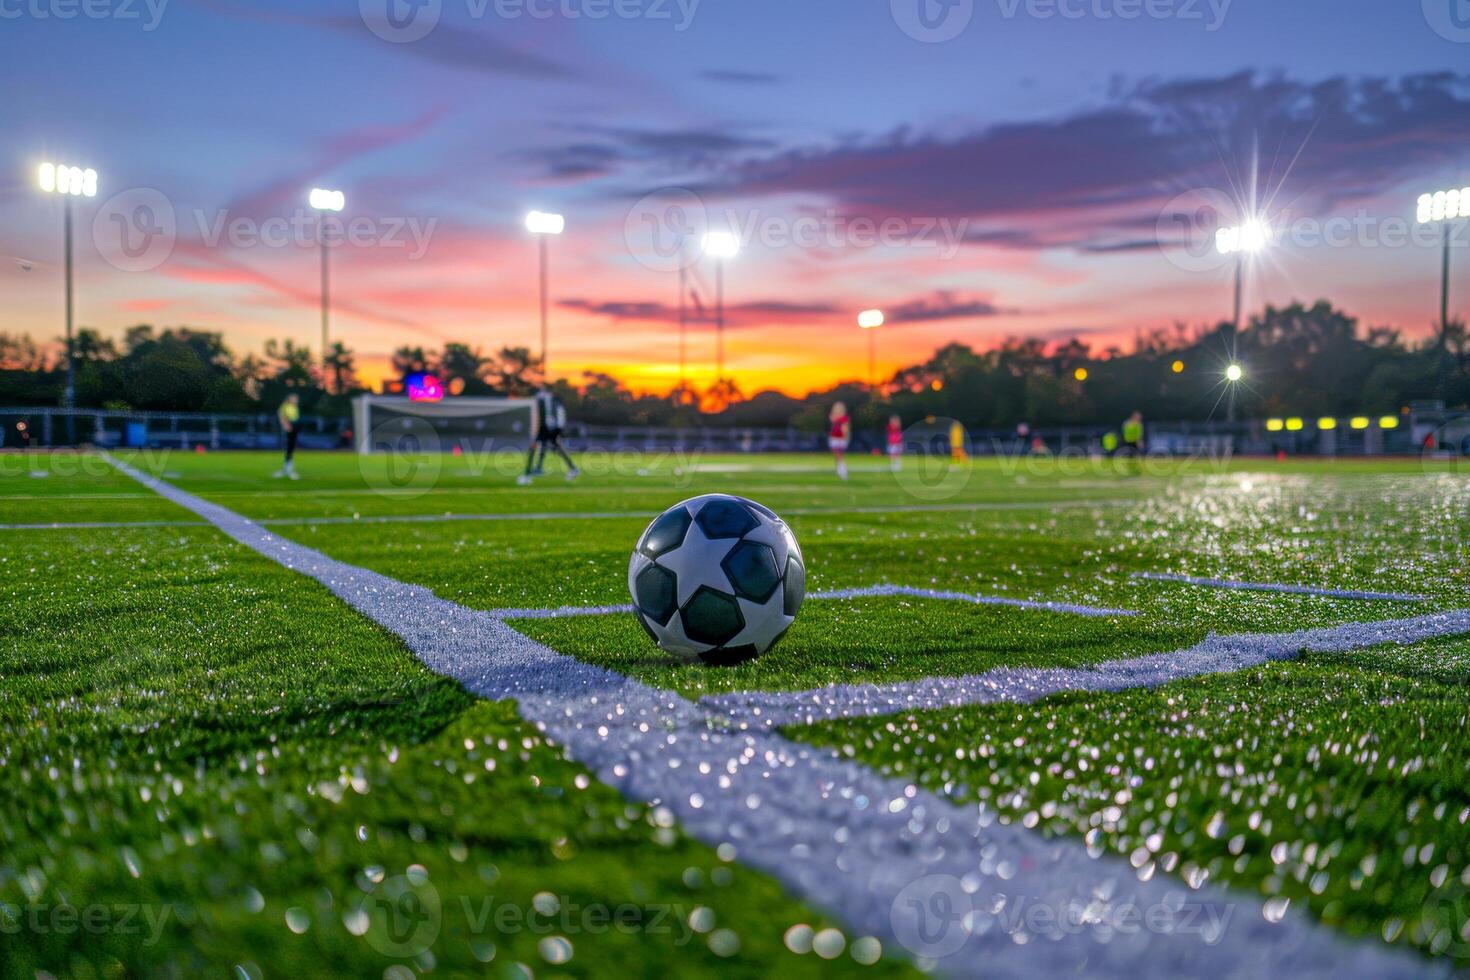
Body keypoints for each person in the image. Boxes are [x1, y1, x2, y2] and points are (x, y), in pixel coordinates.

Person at [520, 386, 579, 485]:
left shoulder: (542, 399)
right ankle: (571, 468)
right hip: (551, 427)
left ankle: (528, 475)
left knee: (535, 447)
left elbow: (546, 414)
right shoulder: (549, 399)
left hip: (547, 427)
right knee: (550, 447)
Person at [273, 392, 300, 480]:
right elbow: (281, 416)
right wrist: (286, 425)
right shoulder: (285, 406)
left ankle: (287, 468)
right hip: (289, 427)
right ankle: (288, 469)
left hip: (294, 427)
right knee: (289, 447)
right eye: (294, 398)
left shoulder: (294, 407)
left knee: (291, 448)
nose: (296, 400)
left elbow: (296, 417)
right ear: (289, 398)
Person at [828, 401, 851, 480]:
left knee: (839, 456)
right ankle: (839, 470)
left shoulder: (844, 418)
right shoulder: (834, 417)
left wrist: (845, 437)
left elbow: (845, 429)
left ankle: (843, 471)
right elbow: (832, 419)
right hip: (834, 438)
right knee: (837, 456)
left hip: (841, 438)